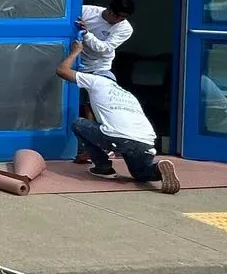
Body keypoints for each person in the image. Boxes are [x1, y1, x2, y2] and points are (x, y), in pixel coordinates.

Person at [57, 43, 179, 193]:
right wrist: (89, 150)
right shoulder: (127, 94)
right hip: (145, 141)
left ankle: (103, 168)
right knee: (141, 174)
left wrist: (76, 52)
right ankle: (158, 169)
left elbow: (62, 71)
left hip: (119, 138)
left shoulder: (97, 81)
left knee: (79, 123)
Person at [75, 0, 136, 76]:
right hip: (73, 59)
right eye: (116, 16)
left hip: (97, 67)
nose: (118, 20)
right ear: (108, 8)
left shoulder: (125, 28)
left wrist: (85, 33)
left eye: (123, 18)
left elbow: (104, 49)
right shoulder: (85, 11)